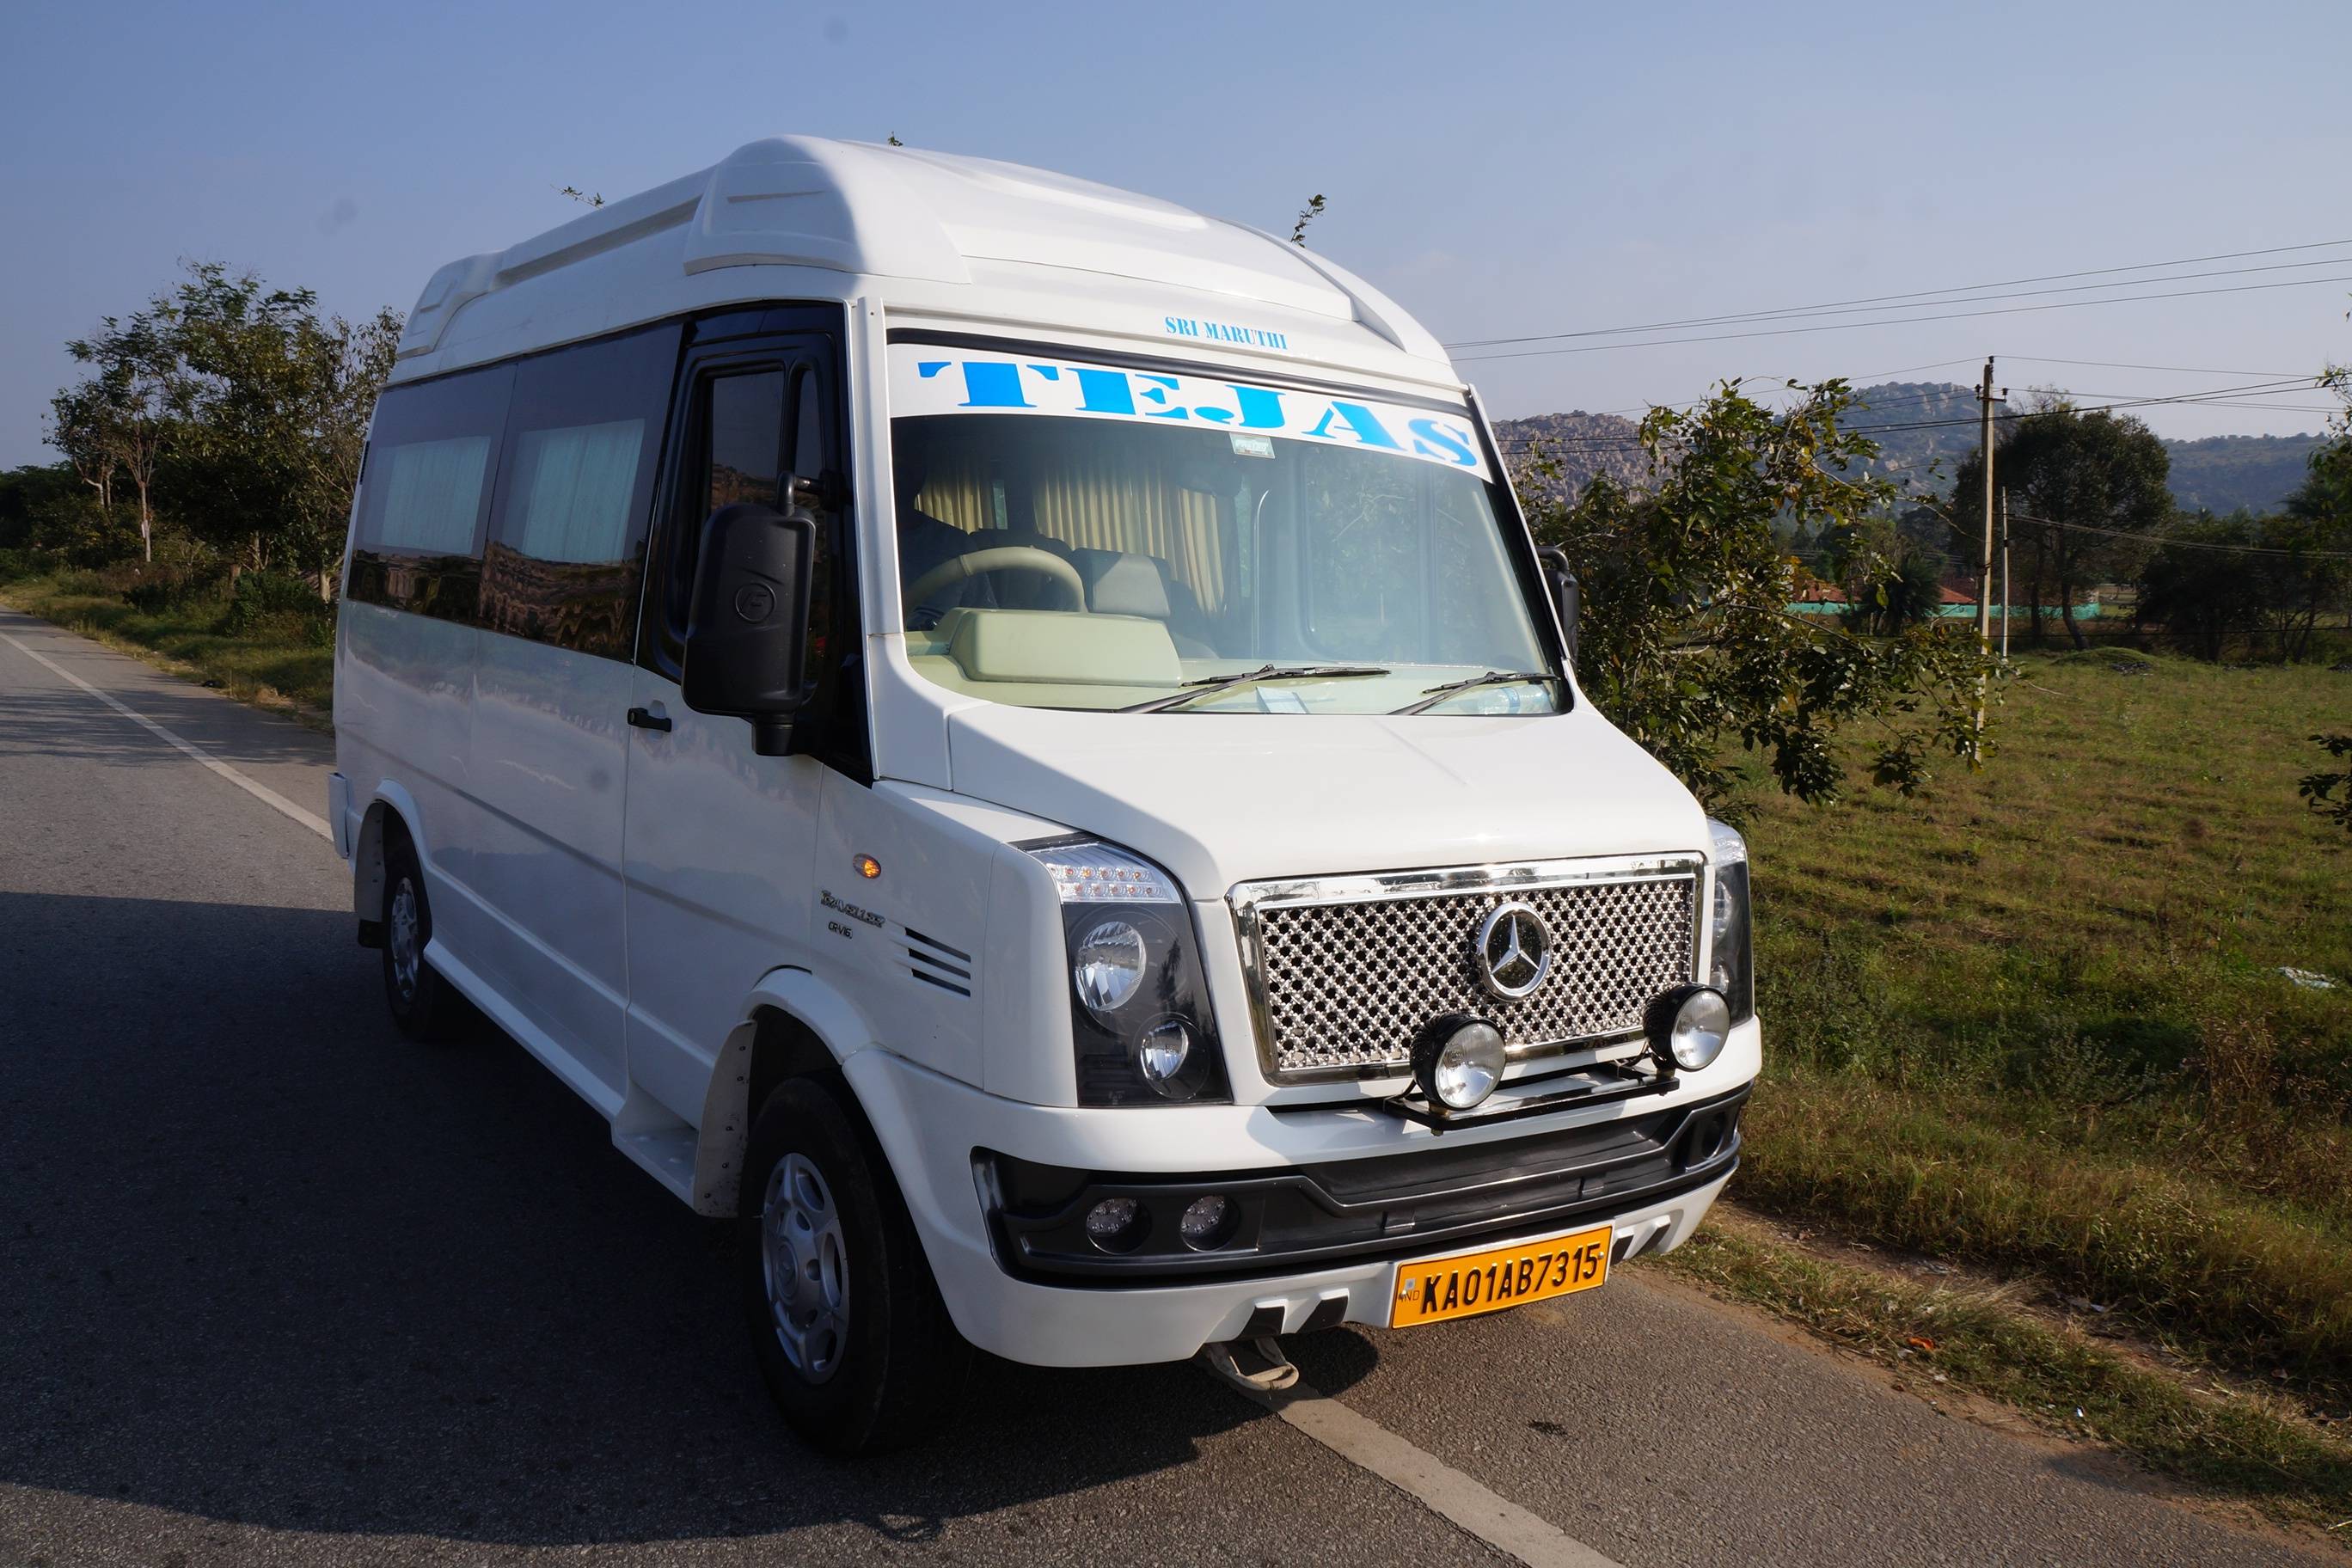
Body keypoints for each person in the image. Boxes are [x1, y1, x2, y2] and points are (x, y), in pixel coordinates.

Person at [894, 452, 992, 628]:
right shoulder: (852, 545)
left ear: (920, 476)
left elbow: (986, 620)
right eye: (893, 468)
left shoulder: (957, 543)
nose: (898, 477)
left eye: (905, 470)